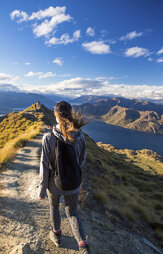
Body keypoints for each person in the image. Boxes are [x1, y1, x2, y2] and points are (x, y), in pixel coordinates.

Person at [39, 101, 90, 254]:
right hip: (74, 183)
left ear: (55, 115)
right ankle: (82, 244)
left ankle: (56, 234)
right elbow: (81, 160)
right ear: (71, 114)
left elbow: (44, 165)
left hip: (54, 183)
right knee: (73, 212)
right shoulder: (79, 137)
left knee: (54, 206)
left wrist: (42, 189)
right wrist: (73, 174)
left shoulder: (48, 138)